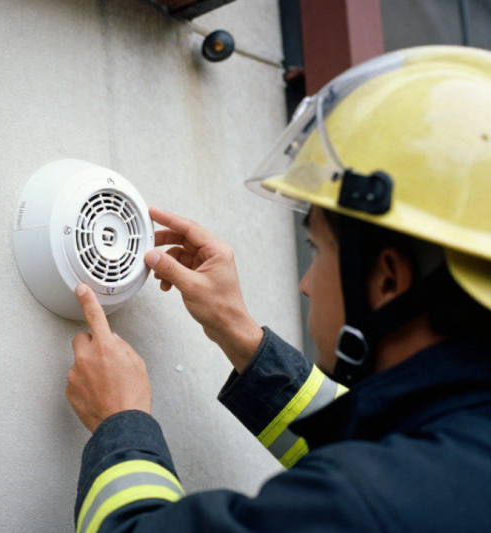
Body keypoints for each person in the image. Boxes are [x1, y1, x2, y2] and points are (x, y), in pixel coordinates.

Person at [65, 45, 491, 533]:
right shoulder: (456, 448)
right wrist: (238, 333)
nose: (306, 285)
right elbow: (379, 437)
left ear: (387, 277)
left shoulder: (361, 502)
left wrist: (119, 424)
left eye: (317, 249)